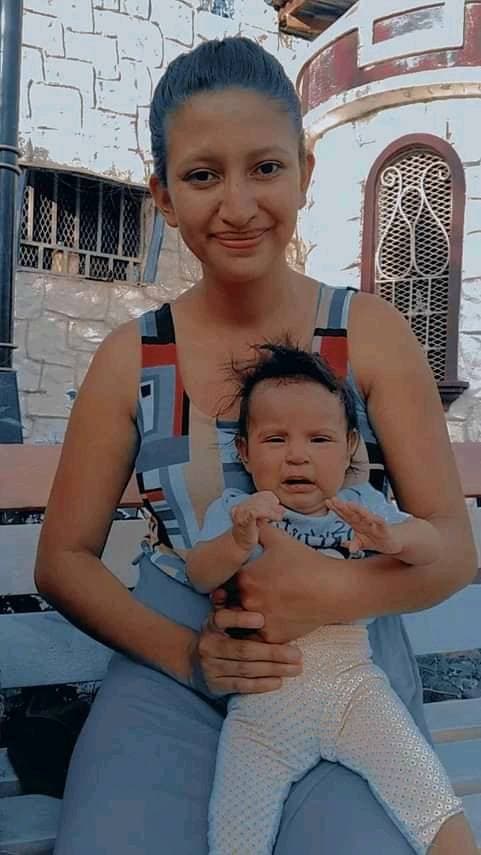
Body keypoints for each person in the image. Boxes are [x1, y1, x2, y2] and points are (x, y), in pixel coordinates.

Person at [33, 37, 477, 855]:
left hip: (342, 672)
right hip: (175, 667)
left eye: (265, 168)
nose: (237, 205)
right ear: (163, 195)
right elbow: (62, 558)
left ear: (304, 171)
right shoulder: (131, 358)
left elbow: (451, 550)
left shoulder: (369, 336)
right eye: (202, 175)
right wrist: (191, 656)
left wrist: (331, 594)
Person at [185, 342, 473, 855]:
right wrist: (237, 540)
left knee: (427, 794)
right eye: (275, 439)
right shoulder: (238, 509)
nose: (298, 454)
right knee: (234, 831)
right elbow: (199, 573)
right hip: (262, 705)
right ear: (244, 453)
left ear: (349, 447)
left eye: (319, 439)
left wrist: (395, 540)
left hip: (354, 688)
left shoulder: (361, 505)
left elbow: (436, 544)